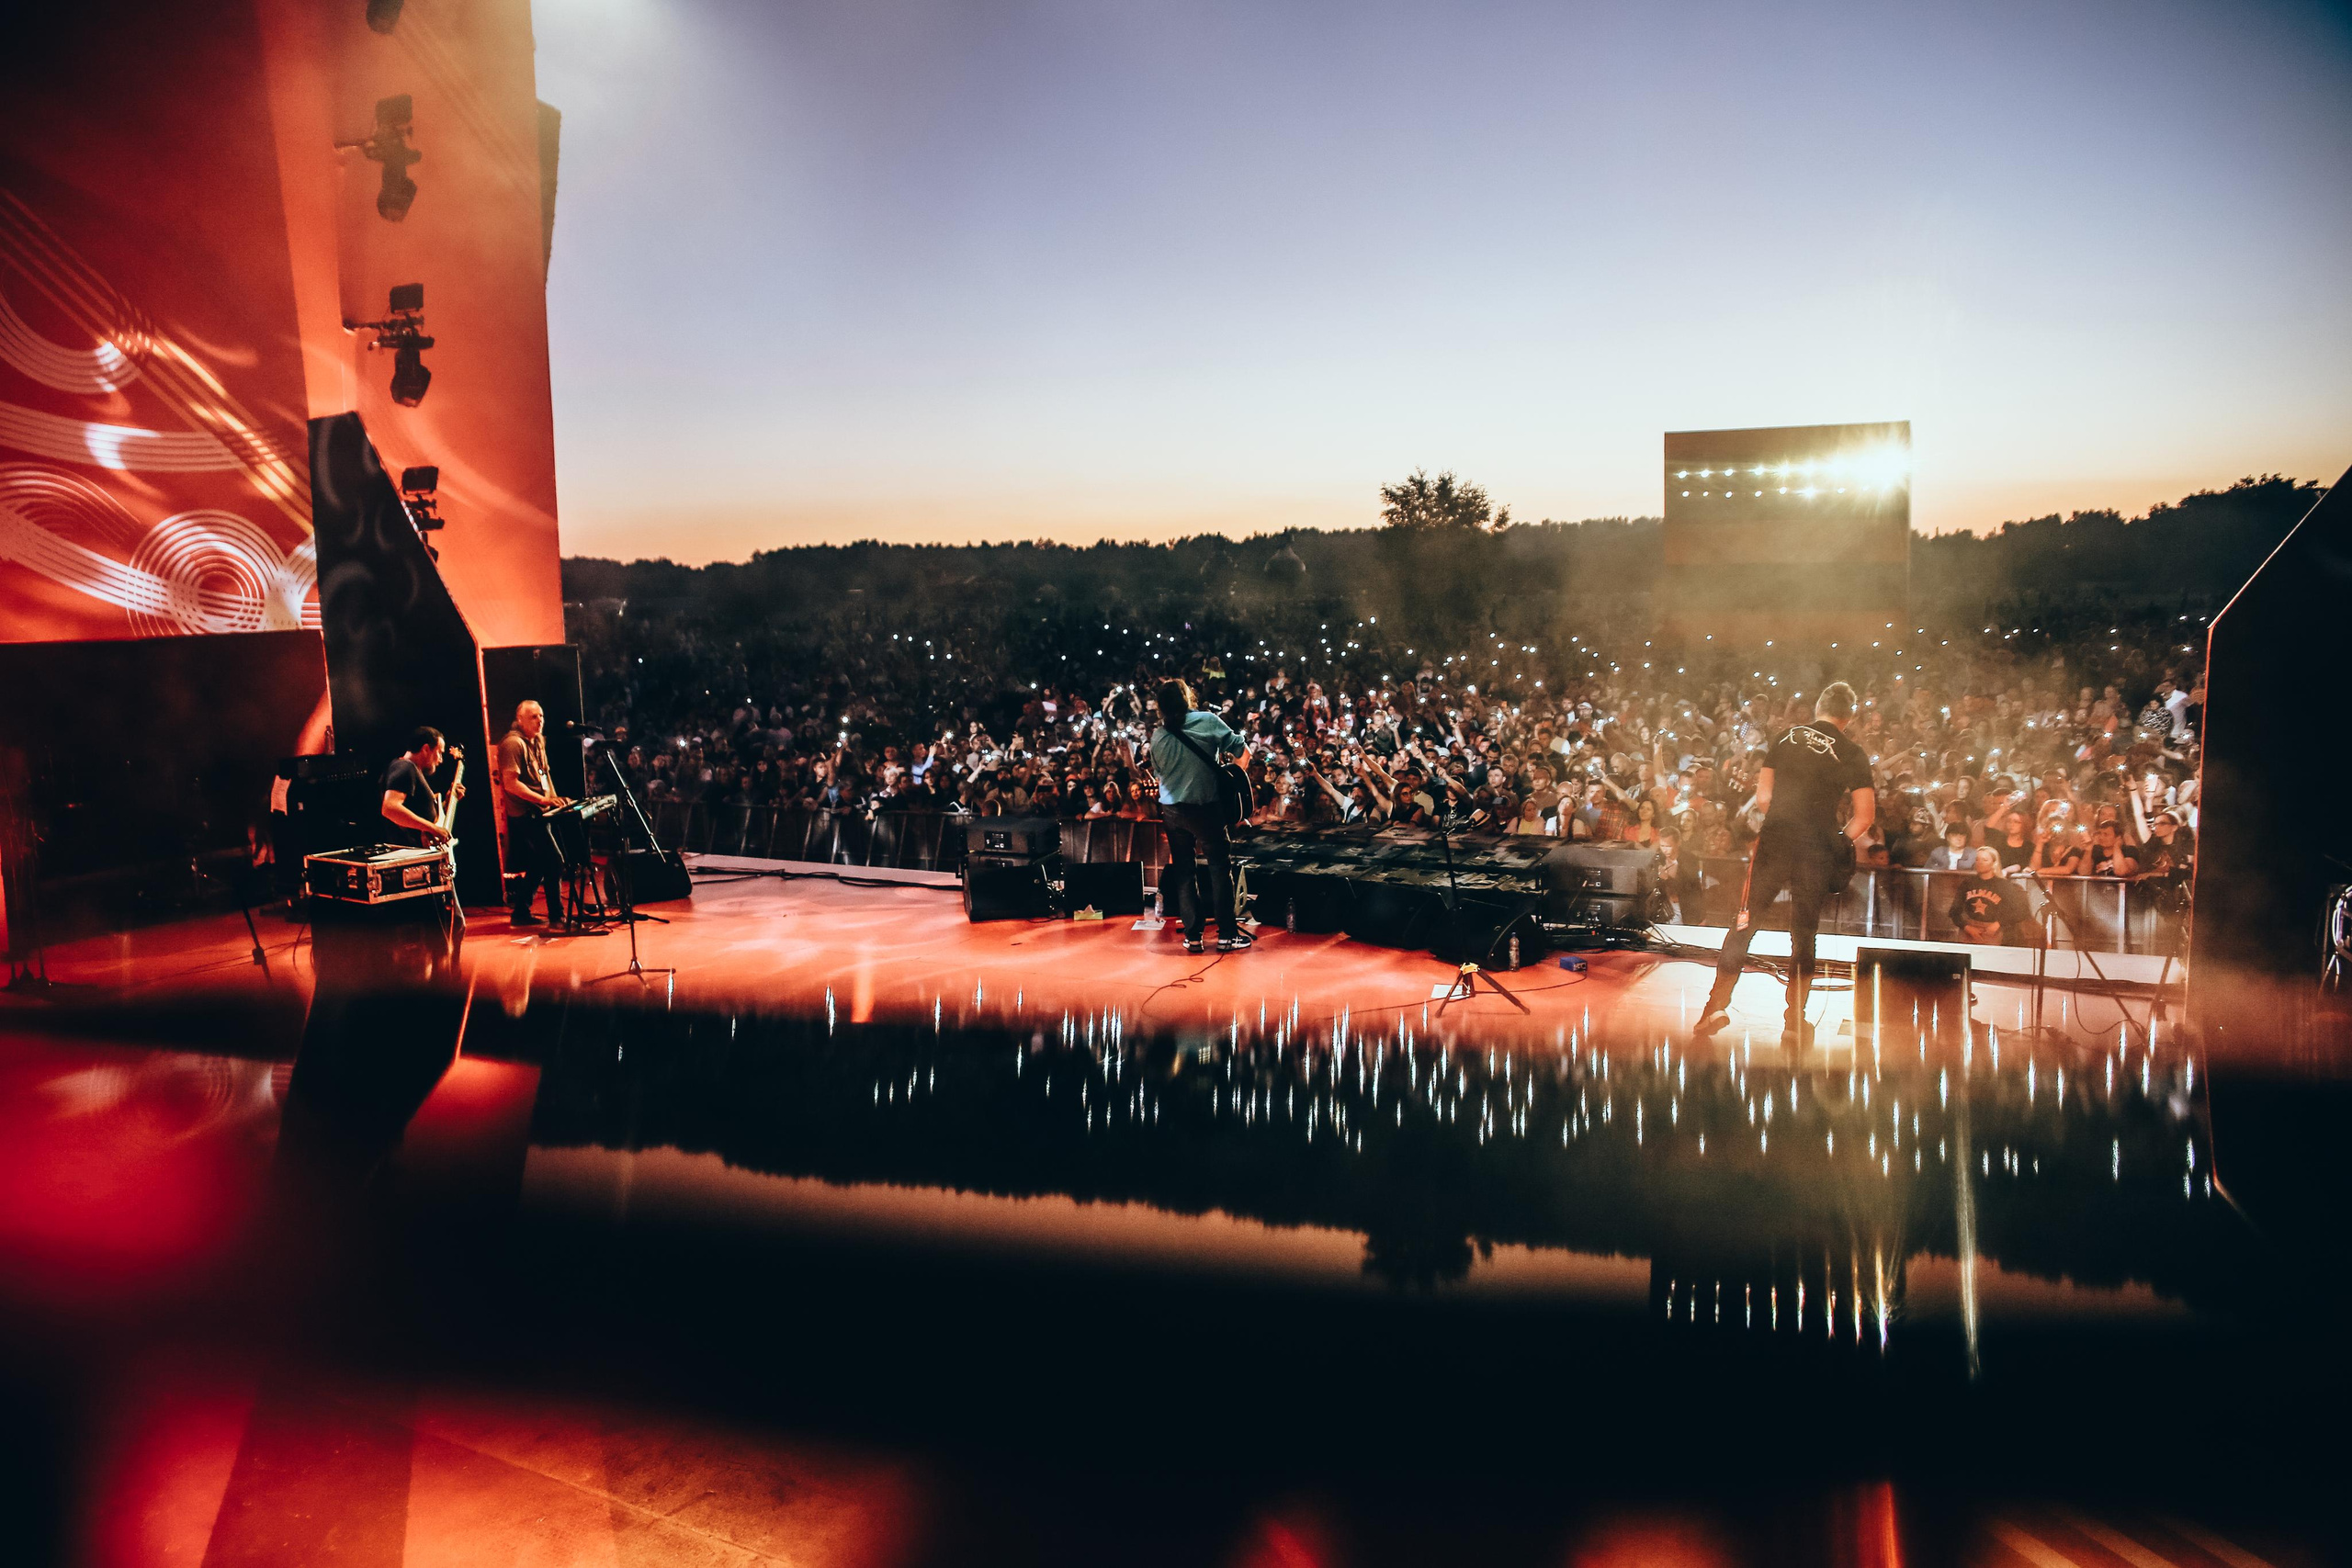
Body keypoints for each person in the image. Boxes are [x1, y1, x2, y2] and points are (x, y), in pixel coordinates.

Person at [1694, 682, 1874, 1045]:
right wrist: (1836, 841)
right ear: (1849, 716)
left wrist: (1782, 820)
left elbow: (1763, 798)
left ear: (1819, 706)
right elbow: (1864, 816)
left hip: (1776, 840)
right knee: (1804, 934)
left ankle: (1713, 1008)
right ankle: (1795, 1022)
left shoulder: (1786, 736)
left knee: (1745, 922)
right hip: (1817, 848)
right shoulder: (1852, 752)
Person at [1148, 679, 1250, 954]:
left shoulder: (1158, 736)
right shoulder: (1207, 720)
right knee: (1219, 868)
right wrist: (1232, 784)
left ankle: (1193, 937)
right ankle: (1227, 935)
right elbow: (1244, 752)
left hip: (1172, 811)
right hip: (1206, 808)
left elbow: (1159, 773)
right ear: (1187, 697)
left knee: (1184, 872)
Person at [497, 700, 570, 926]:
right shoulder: (512, 744)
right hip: (525, 813)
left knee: (540, 862)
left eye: (541, 716)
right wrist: (543, 800)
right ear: (520, 719)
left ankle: (521, 912)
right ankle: (557, 917)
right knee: (555, 862)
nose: (540, 721)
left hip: (541, 810)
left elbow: (544, 775)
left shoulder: (537, 740)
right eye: (533, 717)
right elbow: (511, 784)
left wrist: (556, 802)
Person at [381, 727, 462, 848]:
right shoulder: (405, 767)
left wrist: (448, 801)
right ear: (425, 749)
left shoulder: (410, 770)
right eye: (439, 752)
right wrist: (433, 828)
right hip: (410, 855)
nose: (440, 760)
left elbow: (422, 815)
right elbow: (390, 808)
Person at [1949, 847, 2031, 944]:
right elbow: (1954, 912)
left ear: (1994, 863)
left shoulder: (2004, 885)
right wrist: (1967, 927)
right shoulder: (1967, 883)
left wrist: (1998, 924)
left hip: (1993, 932)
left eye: (1985, 860)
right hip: (1969, 931)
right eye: (1977, 859)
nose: (1980, 862)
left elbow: (2022, 911)